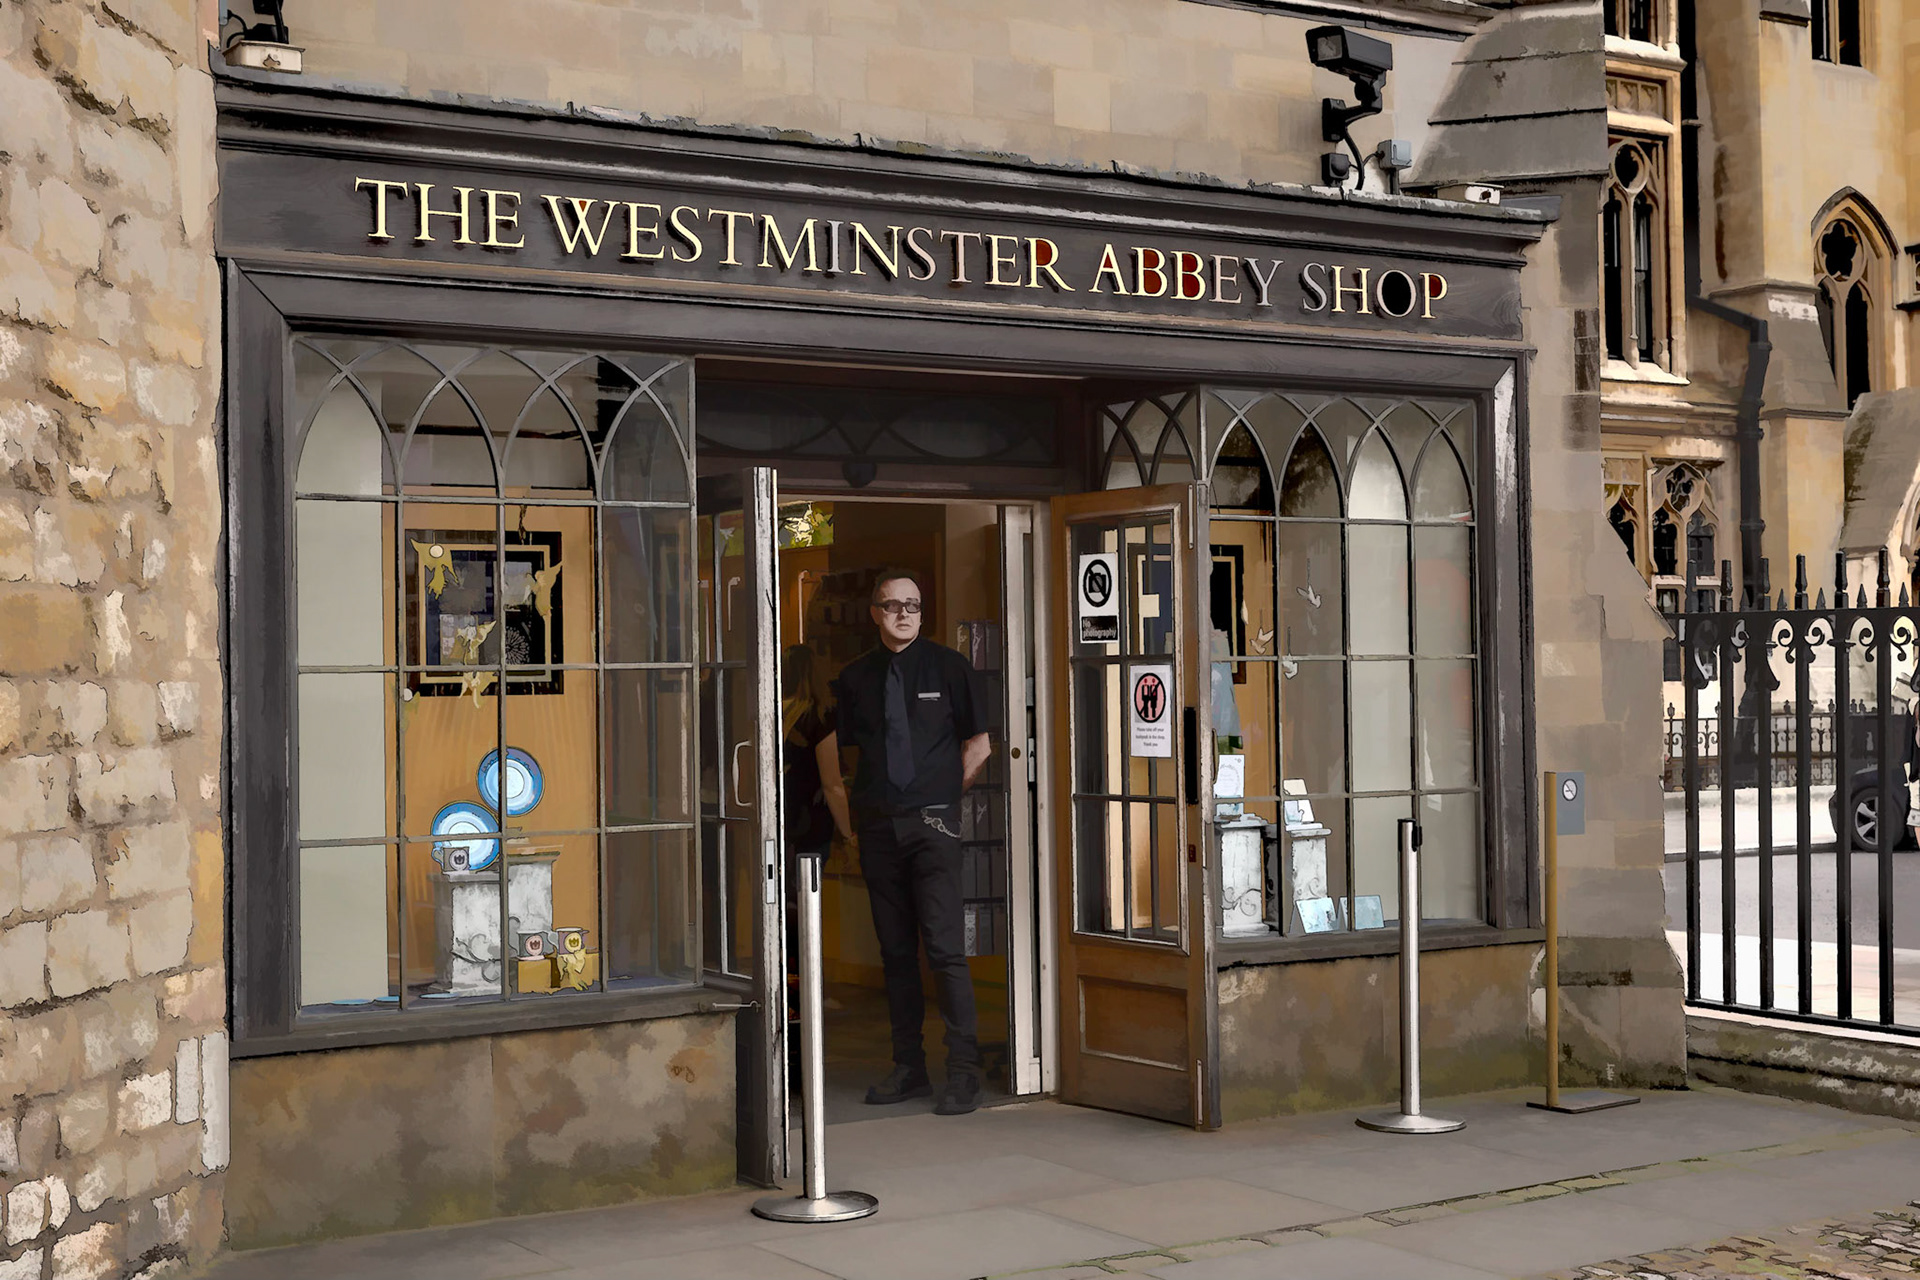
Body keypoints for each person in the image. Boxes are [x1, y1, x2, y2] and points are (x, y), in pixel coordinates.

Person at [823, 569, 992, 1115]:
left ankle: (963, 1073)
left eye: (913, 605)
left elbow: (981, 746)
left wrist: (942, 796)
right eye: (893, 605)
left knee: (945, 951)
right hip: (879, 828)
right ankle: (909, 1069)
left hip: (934, 827)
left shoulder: (951, 668)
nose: (903, 614)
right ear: (874, 613)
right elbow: (848, 755)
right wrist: (856, 818)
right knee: (895, 954)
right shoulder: (854, 679)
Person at [779, 645, 852, 1084]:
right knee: (805, 912)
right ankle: (806, 995)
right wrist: (850, 832)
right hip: (810, 827)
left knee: (783, 911)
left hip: (779, 826)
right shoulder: (818, 719)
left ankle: (787, 992)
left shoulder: (772, 712)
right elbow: (833, 783)